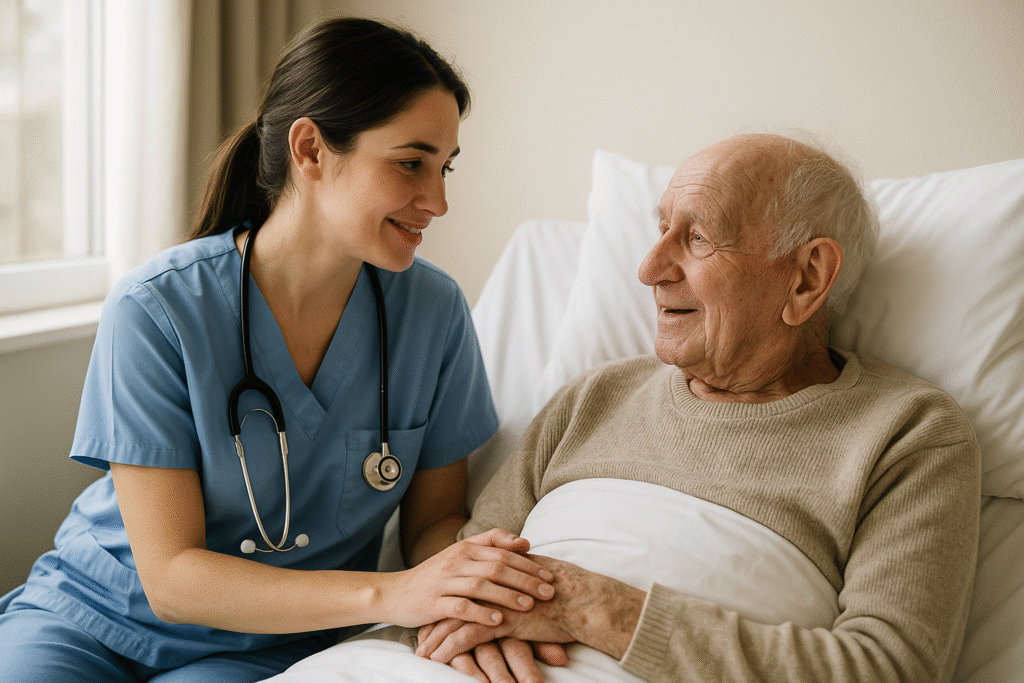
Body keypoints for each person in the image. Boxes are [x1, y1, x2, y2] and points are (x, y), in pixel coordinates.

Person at [0, 17, 555, 683]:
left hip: (260, 643)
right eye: (411, 163)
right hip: (90, 614)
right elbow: (171, 576)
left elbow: (434, 523)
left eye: (444, 167)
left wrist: (479, 593)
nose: (437, 200)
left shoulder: (434, 315)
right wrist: (393, 592)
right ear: (311, 149)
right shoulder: (157, 308)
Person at [414, 134, 981, 683]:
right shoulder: (594, 397)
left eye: (699, 238)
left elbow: (889, 670)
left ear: (808, 278)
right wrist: (482, 619)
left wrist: (594, 609)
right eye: (661, 229)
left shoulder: (909, 433)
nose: (649, 268)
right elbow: (459, 574)